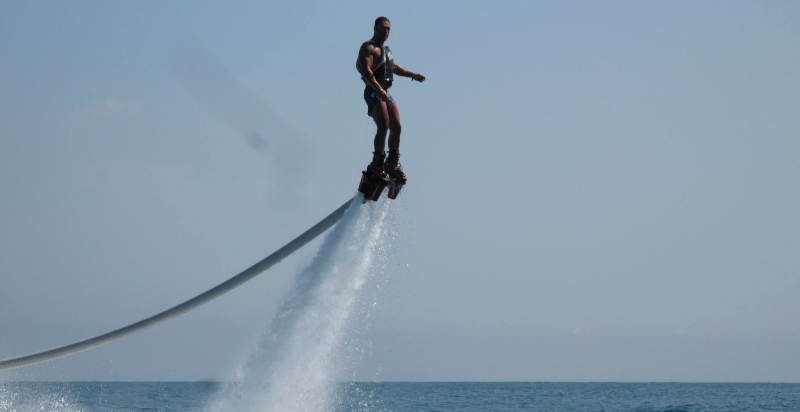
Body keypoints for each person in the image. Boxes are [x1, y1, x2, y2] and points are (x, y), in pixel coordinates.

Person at [357, 16, 426, 184]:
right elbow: (366, 70)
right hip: (374, 91)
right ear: (375, 28)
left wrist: (413, 75)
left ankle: (391, 162)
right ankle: (377, 163)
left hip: (385, 92)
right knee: (384, 123)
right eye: (383, 28)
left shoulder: (386, 50)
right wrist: (379, 90)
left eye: (388, 29)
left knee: (397, 126)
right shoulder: (368, 47)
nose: (386, 31)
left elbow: (394, 67)